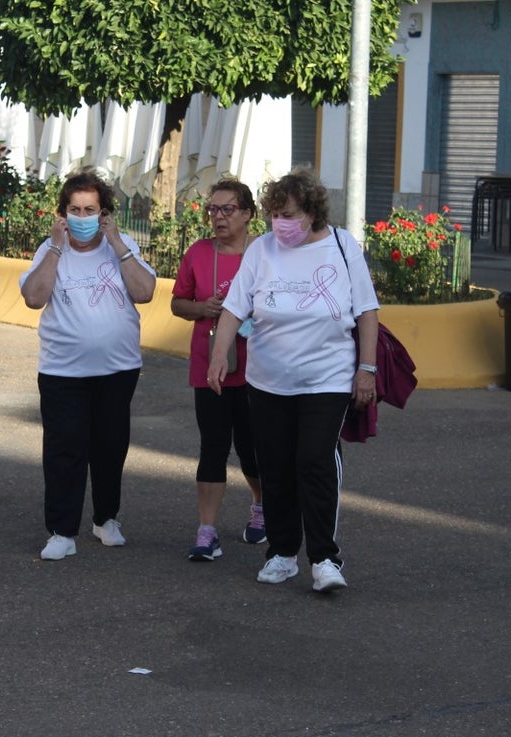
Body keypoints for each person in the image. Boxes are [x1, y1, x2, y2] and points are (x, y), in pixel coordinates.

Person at [206, 169, 379, 592]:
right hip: (268, 381)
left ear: (312, 213)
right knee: (276, 466)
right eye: (275, 214)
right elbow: (234, 308)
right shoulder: (261, 250)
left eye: (289, 215)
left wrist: (367, 369)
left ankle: (325, 559)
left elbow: (367, 311)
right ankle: (282, 554)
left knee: (315, 461)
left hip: (328, 378)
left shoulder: (342, 246)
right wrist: (218, 356)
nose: (280, 223)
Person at [20, 167, 157, 561]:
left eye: (90, 210)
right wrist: (55, 248)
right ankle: (62, 531)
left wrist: (117, 243)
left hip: (117, 370)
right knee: (64, 449)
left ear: (104, 213)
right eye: (75, 210)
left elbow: (145, 292)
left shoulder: (121, 246)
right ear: (63, 214)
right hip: (63, 372)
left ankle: (106, 518)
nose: (82, 217)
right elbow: (34, 298)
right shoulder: (50, 249)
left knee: (110, 447)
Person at [170, 178, 264, 562]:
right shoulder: (198, 253)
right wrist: (202, 307)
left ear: (248, 213)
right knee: (213, 445)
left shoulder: (264, 252)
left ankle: (261, 505)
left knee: (252, 449)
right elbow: (177, 303)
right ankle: (206, 531)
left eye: (228, 209)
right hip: (209, 365)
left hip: (258, 368)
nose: (218, 217)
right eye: (213, 209)